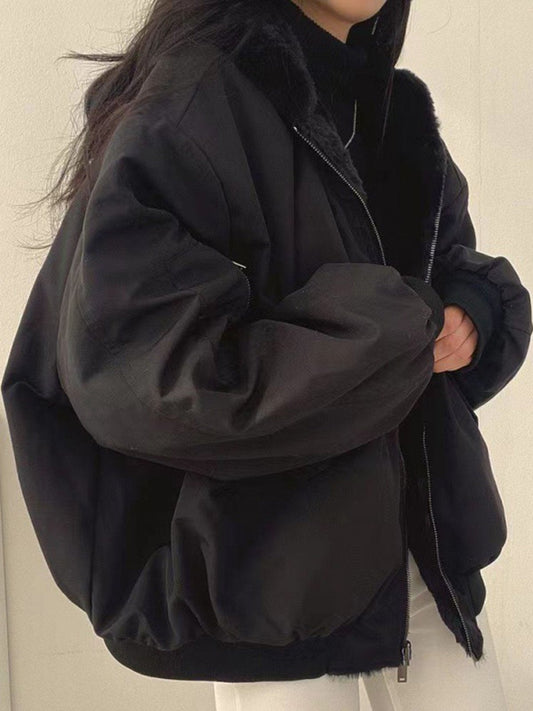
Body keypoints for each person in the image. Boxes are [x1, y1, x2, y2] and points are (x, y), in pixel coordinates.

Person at [1, 0, 531, 709]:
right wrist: (391, 335)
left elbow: (443, 269)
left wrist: (476, 310)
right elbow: (148, 368)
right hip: (265, 581)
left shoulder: (390, 108)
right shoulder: (198, 98)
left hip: (420, 556)